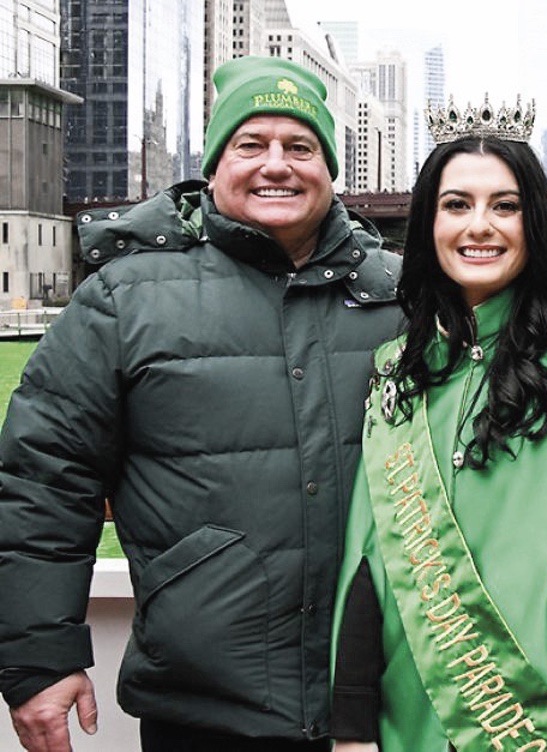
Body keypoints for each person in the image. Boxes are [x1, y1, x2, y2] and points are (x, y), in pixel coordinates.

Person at [0, 56, 404, 752]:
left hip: (381, 702)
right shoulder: (126, 299)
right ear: (215, 164)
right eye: (251, 145)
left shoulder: (401, 295)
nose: (276, 164)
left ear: (329, 168)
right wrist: (39, 659)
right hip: (204, 707)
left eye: (300, 147)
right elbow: (42, 480)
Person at [328, 97, 547, 751]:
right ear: (428, 224)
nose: (480, 226)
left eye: (504, 206)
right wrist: (353, 724)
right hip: (408, 718)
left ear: (533, 221)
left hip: (541, 724)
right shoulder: (398, 371)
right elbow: (368, 556)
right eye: (457, 205)